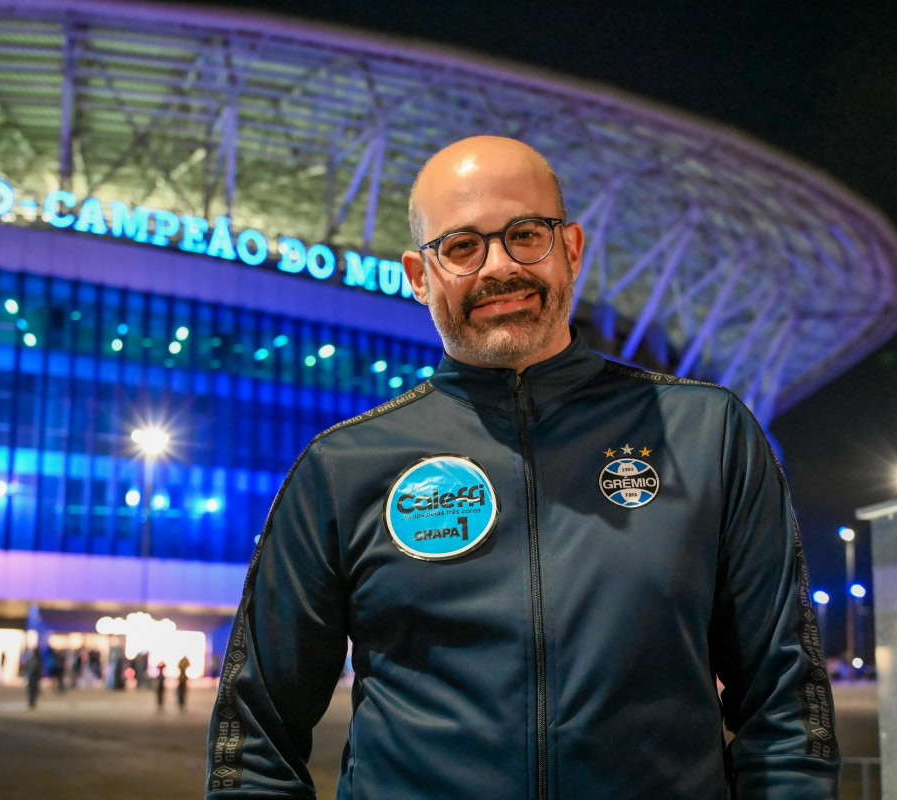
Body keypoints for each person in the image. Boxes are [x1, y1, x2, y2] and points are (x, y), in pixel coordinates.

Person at [205, 136, 840, 799]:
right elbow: (253, 738)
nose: (498, 267)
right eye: (460, 247)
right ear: (420, 277)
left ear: (571, 249)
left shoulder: (708, 435)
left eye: (525, 234)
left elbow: (788, 708)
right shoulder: (341, 467)